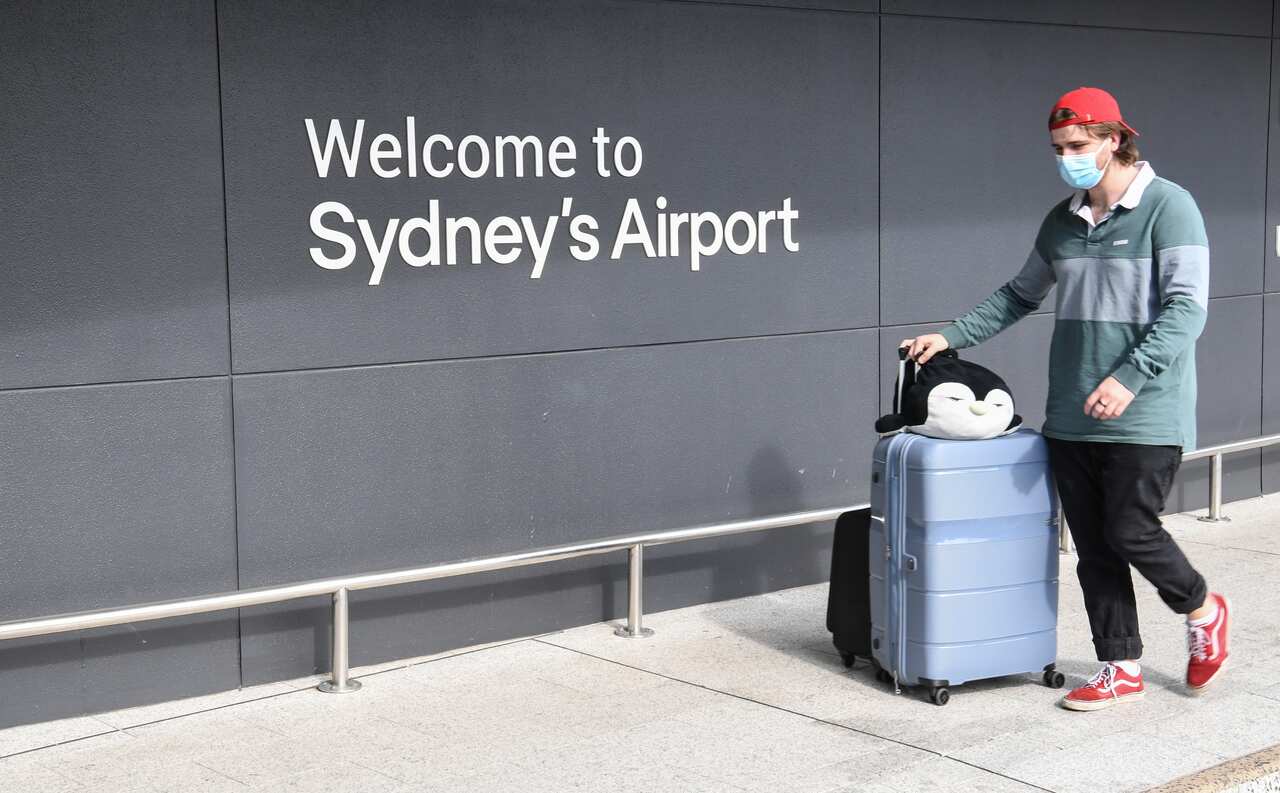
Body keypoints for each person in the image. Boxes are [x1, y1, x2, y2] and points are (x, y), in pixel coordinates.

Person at [899, 86, 1230, 711]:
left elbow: (1187, 310)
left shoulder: (1170, 208)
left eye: (1079, 146)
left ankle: (1202, 607)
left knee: (1131, 529)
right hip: (1071, 411)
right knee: (1093, 545)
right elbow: (1017, 296)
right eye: (1058, 149)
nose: (1067, 158)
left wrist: (1130, 377)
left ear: (1115, 140)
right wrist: (949, 334)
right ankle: (1120, 664)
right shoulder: (1062, 221)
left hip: (1146, 409)